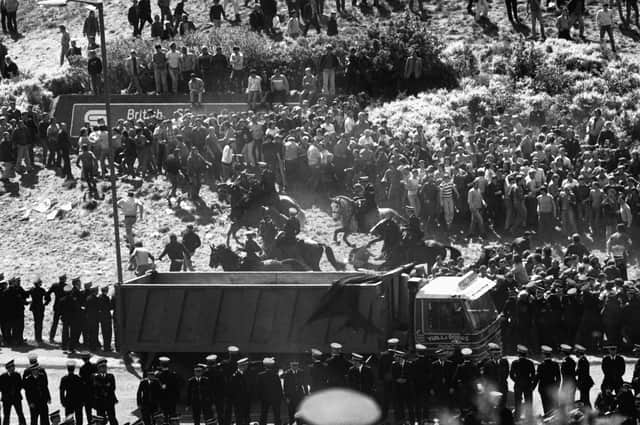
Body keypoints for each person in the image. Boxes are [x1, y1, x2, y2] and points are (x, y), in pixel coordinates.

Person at [510, 345, 536, 419]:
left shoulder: (515, 363)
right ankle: (529, 418)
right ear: (526, 354)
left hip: (518, 385)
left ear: (518, 353)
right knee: (528, 401)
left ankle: (517, 418)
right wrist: (529, 381)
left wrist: (516, 381)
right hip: (528, 385)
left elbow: (511, 375)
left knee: (518, 402)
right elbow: (533, 375)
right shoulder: (530, 363)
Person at [0, 359, 27, 425]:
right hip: (6, 399)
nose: (13, 368)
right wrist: (7, 391)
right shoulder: (3, 376)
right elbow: (0, 388)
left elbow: (21, 385)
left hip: (16, 398)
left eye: (13, 367)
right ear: (8, 368)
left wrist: (15, 390)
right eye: (12, 367)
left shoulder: (17, 375)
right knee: (6, 415)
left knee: (20, 414)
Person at [91, 358, 118, 425]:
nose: (104, 369)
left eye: (105, 367)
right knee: (101, 419)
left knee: (112, 418)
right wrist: (106, 386)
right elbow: (95, 387)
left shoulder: (111, 376)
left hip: (109, 400)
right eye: (102, 368)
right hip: (100, 401)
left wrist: (102, 386)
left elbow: (113, 387)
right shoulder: (95, 377)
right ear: (99, 369)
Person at [282, 360, 307, 425]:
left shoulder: (301, 372)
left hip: (299, 395)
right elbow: (285, 386)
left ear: (298, 366)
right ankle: (292, 423)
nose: (295, 367)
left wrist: (306, 394)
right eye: (293, 366)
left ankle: (299, 423)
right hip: (291, 396)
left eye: (296, 365)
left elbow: (304, 384)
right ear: (291, 366)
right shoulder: (287, 373)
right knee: (291, 412)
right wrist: (287, 397)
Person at [59, 361, 83, 425]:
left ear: (67, 369)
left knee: (68, 420)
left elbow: (62, 391)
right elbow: (82, 391)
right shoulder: (78, 378)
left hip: (68, 401)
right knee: (79, 419)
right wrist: (82, 401)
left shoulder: (64, 379)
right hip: (78, 401)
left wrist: (63, 401)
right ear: (74, 369)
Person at [26, 278, 49, 344]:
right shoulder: (42, 290)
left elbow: (25, 294)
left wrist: (27, 301)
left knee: (36, 322)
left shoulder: (32, 289)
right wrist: (45, 303)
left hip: (34, 307)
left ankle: (36, 337)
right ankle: (39, 338)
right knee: (40, 323)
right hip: (40, 307)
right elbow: (47, 297)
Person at [96, 286, 112, 351]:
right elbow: (109, 307)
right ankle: (107, 347)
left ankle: (105, 346)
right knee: (108, 333)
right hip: (107, 317)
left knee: (104, 332)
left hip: (101, 317)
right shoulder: (106, 298)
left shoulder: (99, 297)